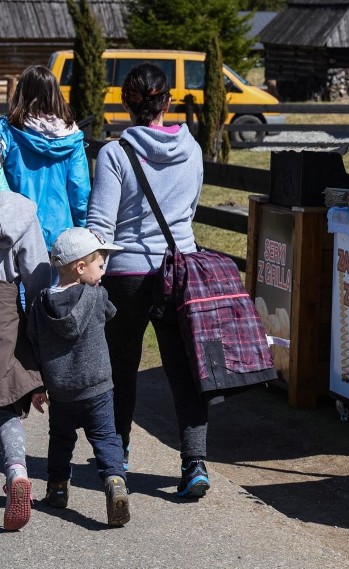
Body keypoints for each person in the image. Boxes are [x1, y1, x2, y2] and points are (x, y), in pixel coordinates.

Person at [87, 63, 210, 498]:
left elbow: (101, 226)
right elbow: (189, 213)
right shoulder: (192, 151)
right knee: (184, 367)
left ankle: (116, 457)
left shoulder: (115, 154)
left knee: (120, 368)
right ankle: (194, 463)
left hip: (126, 274)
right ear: (168, 102)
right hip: (178, 270)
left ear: (126, 104)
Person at [27, 227, 130, 527]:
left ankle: (57, 489)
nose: (103, 273)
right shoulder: (97, 296)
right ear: (81, 267)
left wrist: (37, 385)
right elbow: (110, 313)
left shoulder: (39, 306)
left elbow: (33, 342)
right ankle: (115, 482)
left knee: (60, 439)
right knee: (106, 438)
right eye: (100, 265)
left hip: (60, 393)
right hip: (98, 387)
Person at [0, 192, 51, 531]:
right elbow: (37, 275)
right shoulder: (16, 209)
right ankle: (17, 470)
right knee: (4, 403)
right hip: (3, 311)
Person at [0, 65, 90, 250]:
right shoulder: (72, 137)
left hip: (15, 232)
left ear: (21, 93)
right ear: (56, 94)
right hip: (60, 234)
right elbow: (79, 190)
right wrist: (80, 226)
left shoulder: (7, 131)